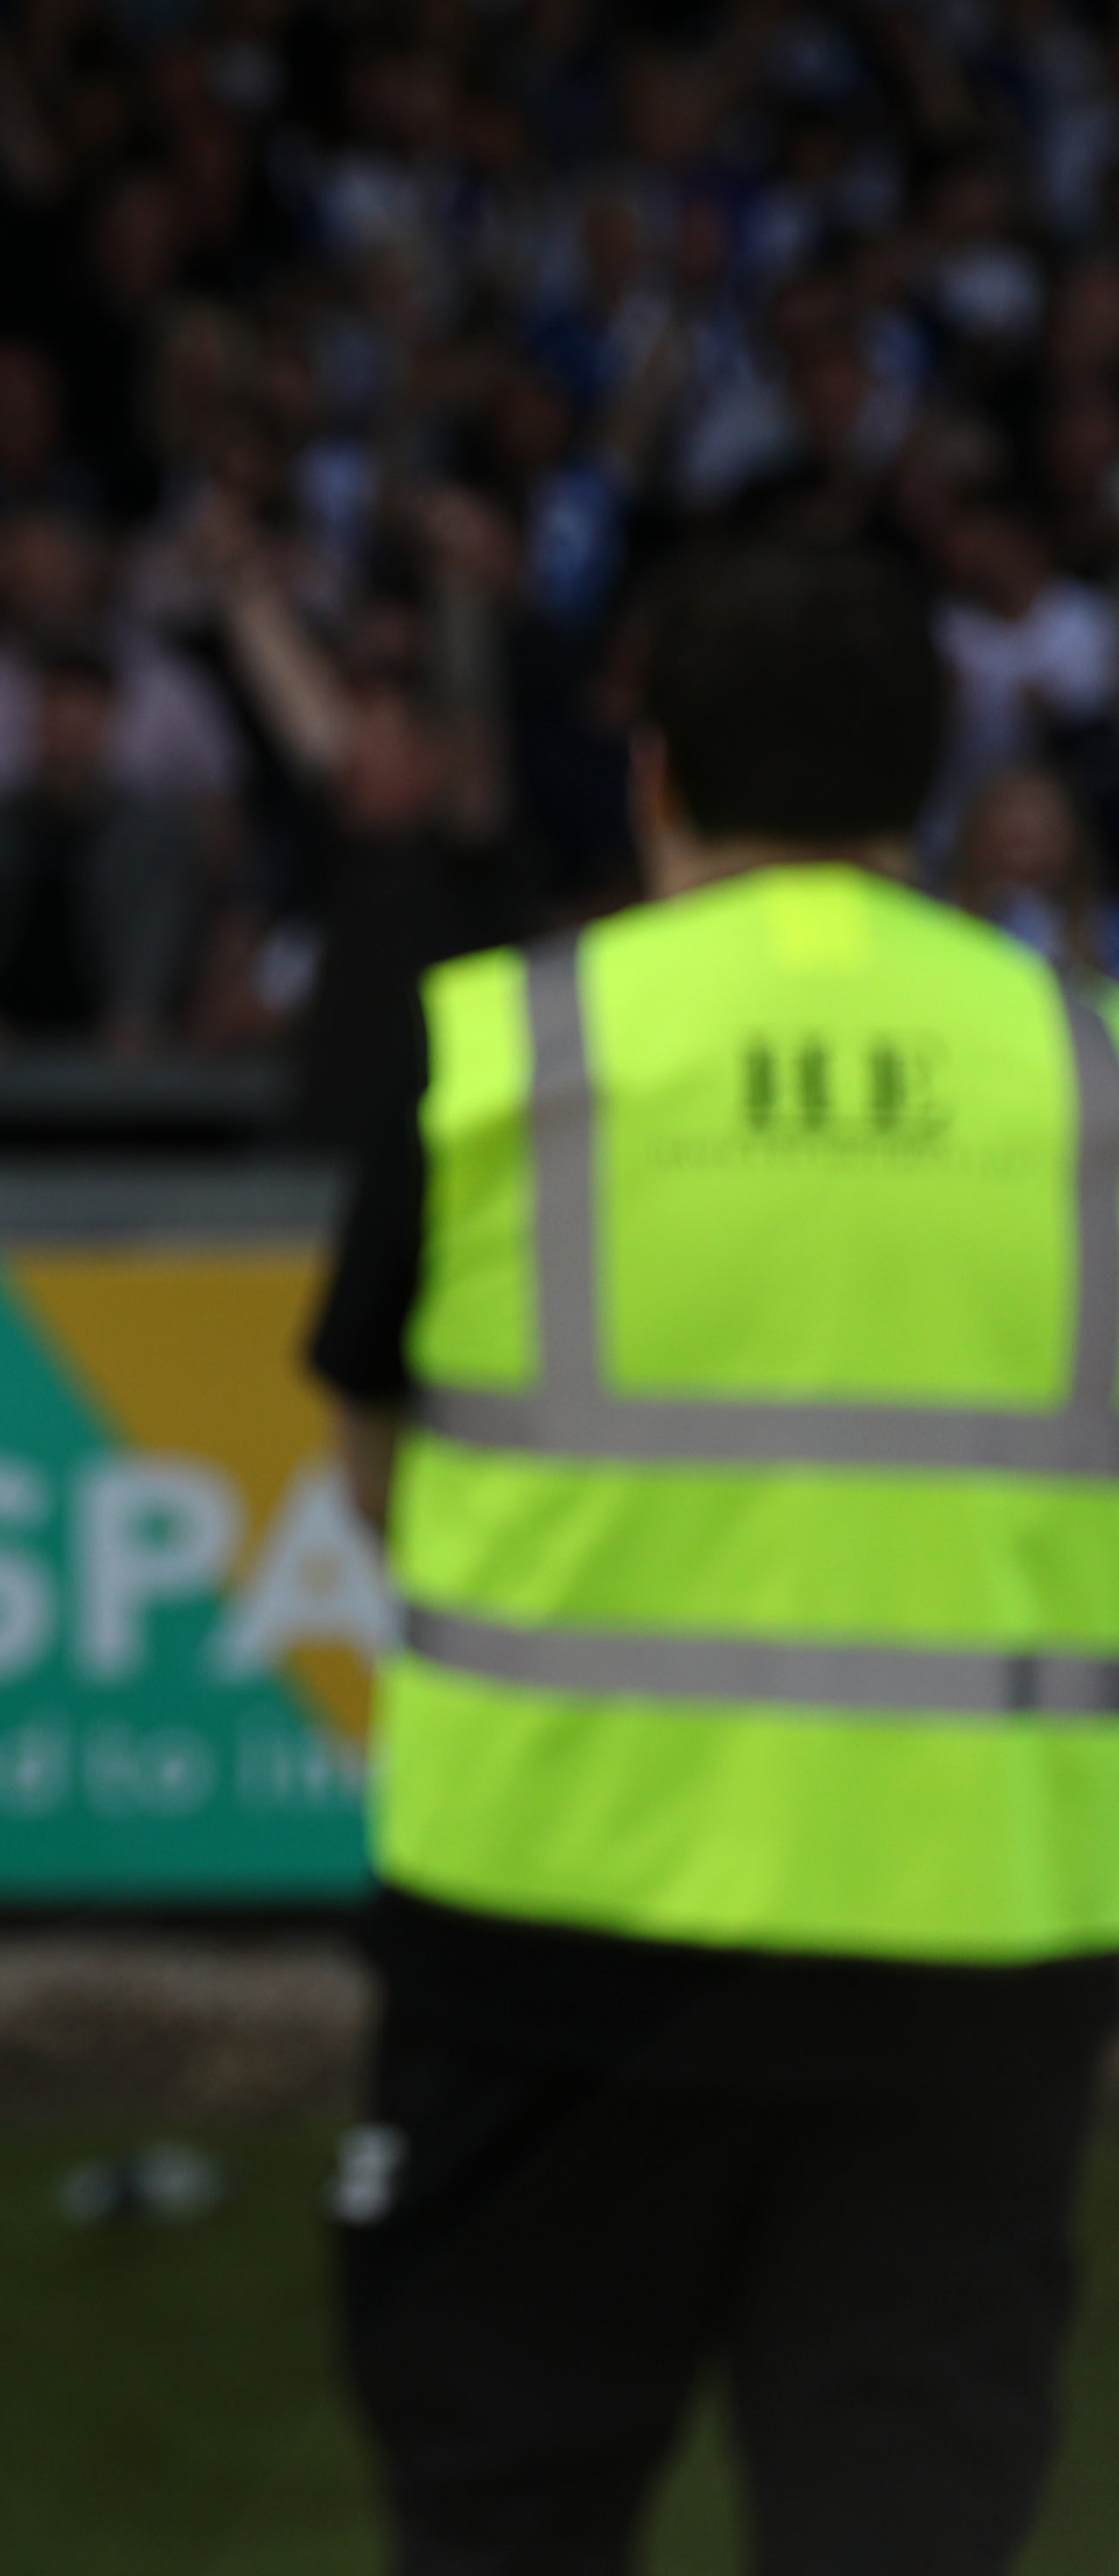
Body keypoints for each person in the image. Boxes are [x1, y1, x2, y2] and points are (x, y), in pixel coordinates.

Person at [309, 542, 1119, 2576]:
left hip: (549, 1945)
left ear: (656, 775)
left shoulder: (495, 1046)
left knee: (502, 2525)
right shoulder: (1085, 1073)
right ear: (927, 793)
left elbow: (376, 1480)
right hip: (975, 1948)